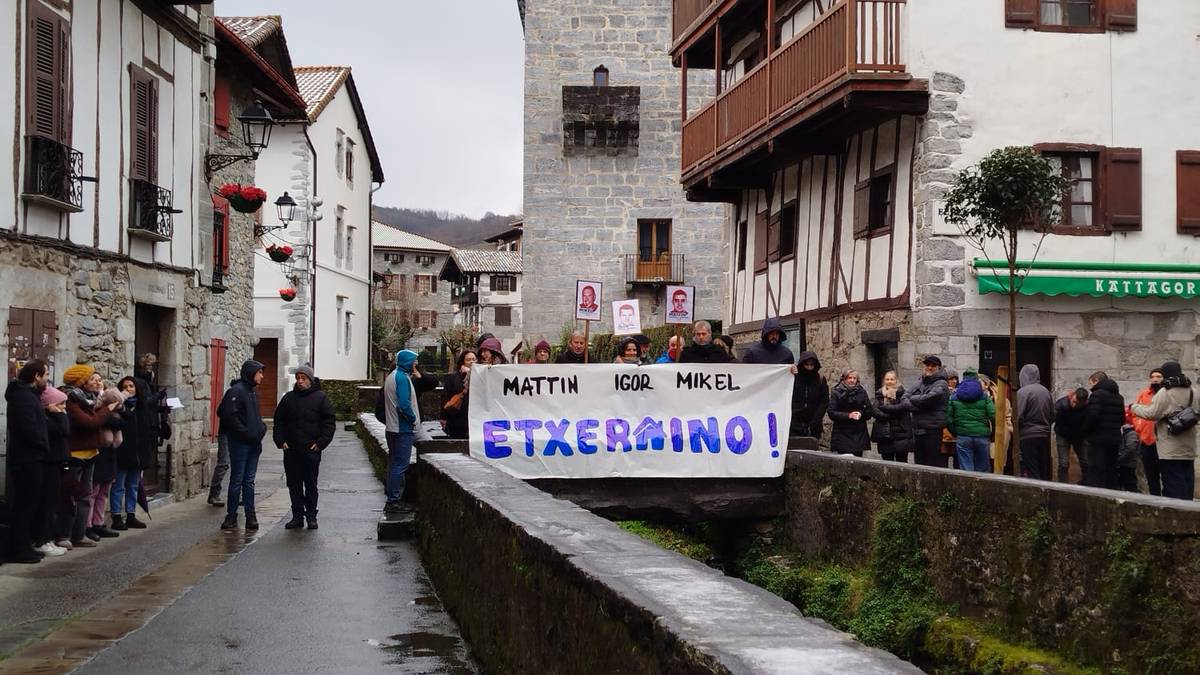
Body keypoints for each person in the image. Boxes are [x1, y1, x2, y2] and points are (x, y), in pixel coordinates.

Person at [274, 365, 336, 530]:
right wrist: (280, 441)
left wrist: (320, 443)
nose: (300, 381)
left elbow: (329, 423)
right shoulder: (288, 399)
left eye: (303, 378)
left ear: (310, 380)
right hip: (291, 450)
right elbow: (279, 421)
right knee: (294, 484)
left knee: (310, 484)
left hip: (311, 450)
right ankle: (297, 516)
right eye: (298, 378)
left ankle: (311, 516)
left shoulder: (321, 398)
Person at [6, 359, 53, 563]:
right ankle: (19, 548)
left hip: (33, 458)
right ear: (36, 376)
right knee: (24, 505)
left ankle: (25, 544)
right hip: (27, 459)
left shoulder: (29, 396)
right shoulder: (23, 398)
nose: (47, 379)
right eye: (46, 375)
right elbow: (28, 428)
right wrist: (42, 445)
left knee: (30, 504)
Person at [63, 364, 115, 547]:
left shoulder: (90, 399)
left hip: (91, 453)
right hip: (76, 454)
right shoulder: (71, 399)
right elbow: (90, 423)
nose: (95, 382)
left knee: (85, 496)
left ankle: (80, 534)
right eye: (91, 378)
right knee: (70, 497)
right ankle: (64, 535)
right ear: (82, 382)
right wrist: (108, 409)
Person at [1130, 361, 1197, 500]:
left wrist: (1134, 407)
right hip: (1189, 446)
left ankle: (1176, 511)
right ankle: (1189, 508)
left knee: (1173, 485)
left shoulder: (1166, 392)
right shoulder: (1193, 391)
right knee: (1187, 481)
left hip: (1170, 447)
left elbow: (1151, 413)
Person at [218, 360, 268, 531]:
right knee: (237, 480)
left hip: (254, 443)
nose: (262, 376)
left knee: (249, 481)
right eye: (259, 372)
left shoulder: (252, 392)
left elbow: (255, 416)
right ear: (251, 373)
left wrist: (260, 429)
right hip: (240, 443)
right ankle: (231, 515)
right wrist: (246, 432)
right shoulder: (237, 391)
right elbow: (227, 415)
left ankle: (250, 515)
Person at [383, 350, 421, 514]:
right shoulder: (401, 378)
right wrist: (413, 419)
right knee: (400, 465)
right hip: (402, 428)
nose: (415, 364)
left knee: (394, 465)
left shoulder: (393, 376)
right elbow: (404, 405)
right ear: (407, 362)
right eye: (414, 361)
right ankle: (394, 500)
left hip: (392, 427)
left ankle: (392, 497)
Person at [110, 378, 149, 530]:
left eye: (131, 386)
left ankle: (131, 515)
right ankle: (116, 516)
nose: (128, 389)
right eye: (125, 386)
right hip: (123, 451)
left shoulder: (141, 406)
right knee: (119, 486)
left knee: (133, 485)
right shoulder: (120, 406)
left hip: (137, 453)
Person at [905, 356, 950, 467]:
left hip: (932, 430)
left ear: (938, 368)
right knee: (919, 465)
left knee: (933, 465)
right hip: (918, 430)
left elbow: (929, 399)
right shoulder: (920, 382)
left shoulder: (941, 383)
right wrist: (919, 406)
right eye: (927, 365)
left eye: (933, 366)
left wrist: (913, 398)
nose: (929, 368)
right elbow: (904, 398)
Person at [42, 383, 72, 555]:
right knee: (48, 504)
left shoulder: (54, 417)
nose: (64, 408)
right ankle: (44, 539)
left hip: (59, 463)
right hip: (51, 463)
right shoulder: (49, 419)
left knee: (54, 502)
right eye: (61, 404)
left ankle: (49, 538)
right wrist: (60, 415)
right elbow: (64, 430)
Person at [946, 368, 995, 473]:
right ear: (976, 379)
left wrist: (955, 432)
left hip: (963, 436)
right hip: (982, 436)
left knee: (966, 470)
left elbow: (948, 419)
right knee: (982, 469)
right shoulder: (984, 396)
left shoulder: (954, 396)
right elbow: (992, 415)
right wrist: (991, 432)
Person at [1082, 371, 1124, 490]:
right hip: (1114, 439)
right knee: (1111, 469)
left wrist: (1086, 430)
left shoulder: (1097, 395)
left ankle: (1096, 495)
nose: (1091, 387)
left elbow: (1092, 416)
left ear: (1096, 381)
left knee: (1096, 469)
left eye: (1091, 383)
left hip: (1098, 439)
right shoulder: (1119, 397)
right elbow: (1122, 419)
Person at [1016, 364, 1055, 480]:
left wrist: (1016, 430)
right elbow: (1052, 415)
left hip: (1027, 434)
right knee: (1042, 467)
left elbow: (1018, 415)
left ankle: (1035, 490)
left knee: (1031, 468)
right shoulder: (1046, 391)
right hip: (1044, 434)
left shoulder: (1023, 392)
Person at [1129, 369, 1164, 495]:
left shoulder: (1166, 394)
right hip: (1146, 440)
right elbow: (1135, 413)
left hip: (1162, 442)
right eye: (1153, 377)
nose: (1155, 379)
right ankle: (1155, 498)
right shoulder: (1144, 394)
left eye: (1158, 376)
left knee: (1165, 475)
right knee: (1151, 474)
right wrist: (1139, 427)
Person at [827, 370, 874, 456]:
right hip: (842, 433)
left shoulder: (862, 391)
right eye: (849, 378)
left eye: (854, 378)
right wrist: (848, 415)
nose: (852, 380)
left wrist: (860, 413)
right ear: (844, 379)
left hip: (859, 433)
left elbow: (869, 411)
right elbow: (831, 412)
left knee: (858, 460)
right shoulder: (836, 392)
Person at [207, 378, 236, 508]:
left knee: (237, 464)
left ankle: (237, 494)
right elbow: (221, 412)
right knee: (223, 463)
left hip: (236, 434)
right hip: (227, 433)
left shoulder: (249, 393)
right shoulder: (232, 394)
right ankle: (214, 494)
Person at [872, 370, 913, 462]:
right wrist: (891, 414)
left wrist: (884, 408)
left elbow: (902, 407)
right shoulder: (879, 394)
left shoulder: (903, 394)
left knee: (902, 462)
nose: (889, 381)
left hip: (901, 433)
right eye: (887, 379)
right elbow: (875, 411)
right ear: (884, 381)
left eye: (892, 379)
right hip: (885, 434)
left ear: (896, 380)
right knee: (887, 462)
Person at [1054, 388, 1089, 484]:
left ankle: (1087, 484)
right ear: (1073, 396)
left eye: (1077, 404)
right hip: (1063, 434)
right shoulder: (1062, 404)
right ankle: (1063, 486)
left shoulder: (1087, 407)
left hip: (1079, 435)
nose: (1074, 405)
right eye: (1074, 402)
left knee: (1085, 462)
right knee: (1063, 463)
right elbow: (1056, 420)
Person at [791, 351, 829, 440]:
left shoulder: (820, 380)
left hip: (814, 425)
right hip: (794, 424)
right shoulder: (794, 379)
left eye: (811, 365)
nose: (809, 368)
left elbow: (824, 402)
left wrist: (814, 422)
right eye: (806, 365)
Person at [441, 350, 475, 440]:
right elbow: (445, 396)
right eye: (468, 360)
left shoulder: (479, 376)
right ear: (462, 362)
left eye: (474, 359)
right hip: (457, 416)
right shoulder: (453, 378)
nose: (472, 362)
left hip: (474, 417)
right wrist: (443, 417)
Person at [1117, 424, 1141, 493]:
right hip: (1123, 464)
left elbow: (1130, 449)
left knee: (1130, 486)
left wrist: (1118, 459)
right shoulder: (1125, 433)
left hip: (1128, 465)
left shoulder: (1131, 434)